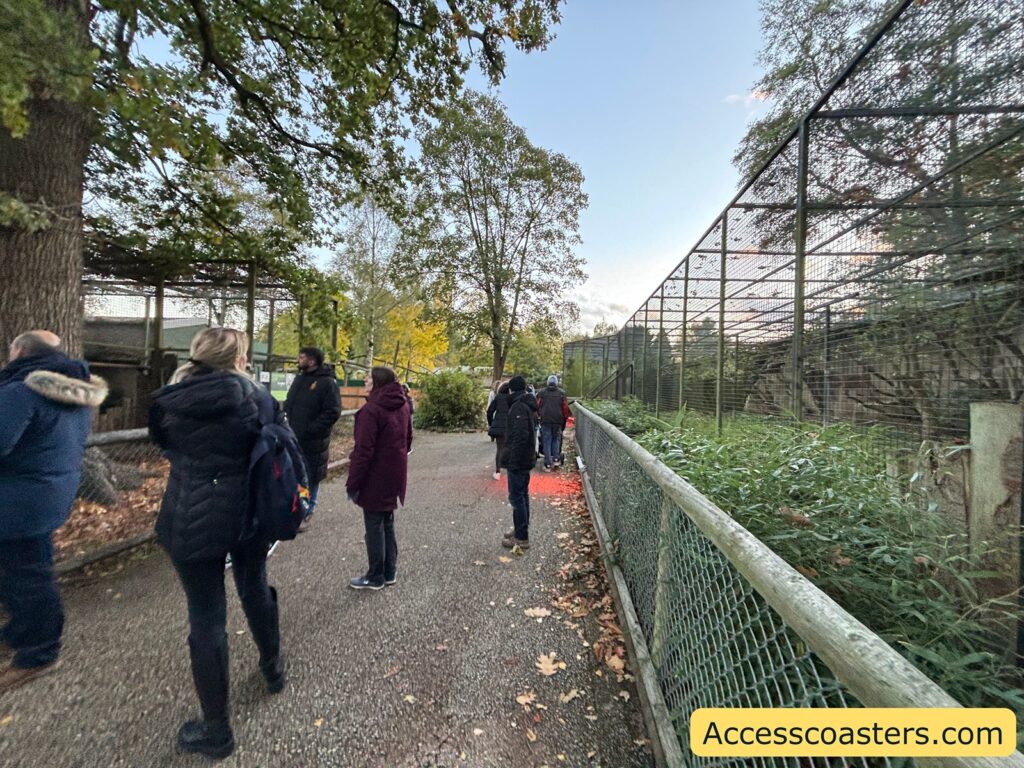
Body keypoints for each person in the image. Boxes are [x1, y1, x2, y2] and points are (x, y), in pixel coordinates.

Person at [149, 327, 285, 759]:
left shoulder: (168, 400)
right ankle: (273, 666)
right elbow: (278, 443)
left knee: (205, 616)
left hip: (190, 513)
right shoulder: (257, 399)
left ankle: (216, 728)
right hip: (248, 512)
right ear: (239, 357)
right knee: (254, 586)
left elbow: (163, 444)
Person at [0, 331, 107, 693]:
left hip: (14, 499)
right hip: (46, 495)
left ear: (20, 352)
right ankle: (20, 632)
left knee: (24, 575)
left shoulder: (20, 393)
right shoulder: (76, 396)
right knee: (27, 569)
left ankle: (39, 653)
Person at [346, 366, 412, 590]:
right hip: (395, 472)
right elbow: (408, 439)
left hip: (375, 475)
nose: (365, 381)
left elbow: (364, 450)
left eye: (368, 378)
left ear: (377, 383)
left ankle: (375, 576)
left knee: (374, 524)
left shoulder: (371, 411)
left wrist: (353, 482)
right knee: (387, 521)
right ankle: (389, 571)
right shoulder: (403, 405)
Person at [284, 346, 341, 530]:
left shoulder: (327, 383)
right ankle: (296, 509)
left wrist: (311, 430)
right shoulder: (300, 379)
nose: (299, 360)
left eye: (302, 357)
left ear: (312, 360)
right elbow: (289, 403)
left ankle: (306, 510)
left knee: (310, 476)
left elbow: (332, 411)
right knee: (296, 474)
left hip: (313, 440)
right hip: (293, 436)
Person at [501, 375, 537, 550]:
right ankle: (520, 529)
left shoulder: (518, 407)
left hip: (519, 460)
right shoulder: (527, 404)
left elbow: (520, 436)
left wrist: (513, 460)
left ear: (511, 389)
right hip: (526, 458)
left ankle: (521, 537)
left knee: (516, 496)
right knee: (522, 495)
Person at [536, 374, 570, 471]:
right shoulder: (561, 393)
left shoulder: (541, 393)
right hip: (557, 420)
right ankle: (556, 459)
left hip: (545, 420)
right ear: (556, 383)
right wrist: (565, 418)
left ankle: (547, 464)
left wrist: (539, 415)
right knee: (556, 439)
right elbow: (565, 408)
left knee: (546, 441)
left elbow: (537, 406)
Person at [486, 381, 510, 481]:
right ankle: (510, 471)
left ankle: (497, 471)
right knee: (510, 448)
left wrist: (491, 423)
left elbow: (490, 411)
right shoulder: (513, 398)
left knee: (499, 449)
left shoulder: (498, 397)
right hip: (510, 426)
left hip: (499, 426)